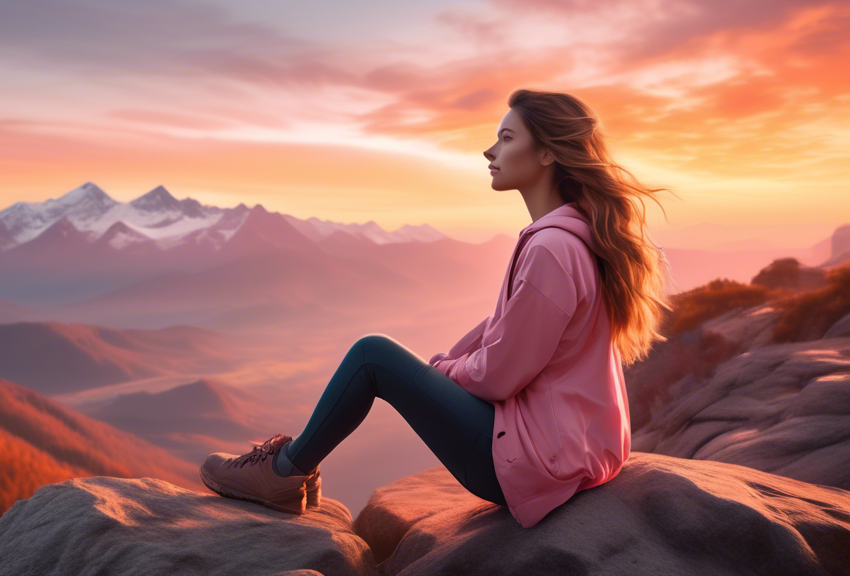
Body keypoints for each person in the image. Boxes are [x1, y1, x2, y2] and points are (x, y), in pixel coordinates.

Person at [199, 88, 677, 528]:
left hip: (538, 461)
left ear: (549, 153)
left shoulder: (552, 248)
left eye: (507, 139)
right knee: (392, 361)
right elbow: (507, 331)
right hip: (573, 449)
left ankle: (283, 474)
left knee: (373, 356)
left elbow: (499, 376)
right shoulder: (579, 237)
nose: (490, 152)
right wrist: (448, 368)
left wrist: (446, 373)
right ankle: (294, 467)